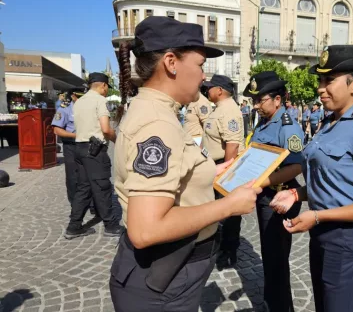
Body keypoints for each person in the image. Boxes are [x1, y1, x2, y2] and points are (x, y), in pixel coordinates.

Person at [110, 16, 261, 312]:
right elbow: (146, 230)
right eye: (201, 65)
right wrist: (229, 207)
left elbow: (177, 173)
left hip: (169, 275)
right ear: (171, 62)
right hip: (163, 280)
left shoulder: (157, 111)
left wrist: (211, 172)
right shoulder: (157, 122)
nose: (205, 76)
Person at [269, 44, 353, 312]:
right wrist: (297, 194)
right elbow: (329, 179)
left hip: (349, 241)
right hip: (323, 236)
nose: (320, 88)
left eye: (329, 81)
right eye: (320, 80)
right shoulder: (329, 123)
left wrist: (316, 216)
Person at [243, 71, 305, 312]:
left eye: (260, 100)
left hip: (281, 196)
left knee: (276, 259)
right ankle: (271, 303)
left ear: (277, 100)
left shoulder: (288, 127)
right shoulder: (265, 122)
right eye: (254, 100)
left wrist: (261, 182)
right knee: (269, 256)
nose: (256, 105)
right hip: (265, 195)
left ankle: (280, 307)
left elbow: (297, 166)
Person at [66, 72, 122, 239]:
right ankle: (111, 225)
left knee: (84, 188)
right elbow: (105, 129)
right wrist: (116, 139)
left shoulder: (79, 102)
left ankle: (74, 226)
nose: (106, 91)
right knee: (102, 187)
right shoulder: (100, 101)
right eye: (107, 88)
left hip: (79, 148)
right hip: (95, 150)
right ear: (103, 85)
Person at [201, 74, 246, 268]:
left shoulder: (229, 110)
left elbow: (232, 146)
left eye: (210, 87)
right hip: (215, 164)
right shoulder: (219, 108)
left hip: (225, 164)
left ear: (219, 90)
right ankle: (221, 245)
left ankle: (228, 251)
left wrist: (226, 174)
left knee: (228, 213)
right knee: (219, 211)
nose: (207, 90)